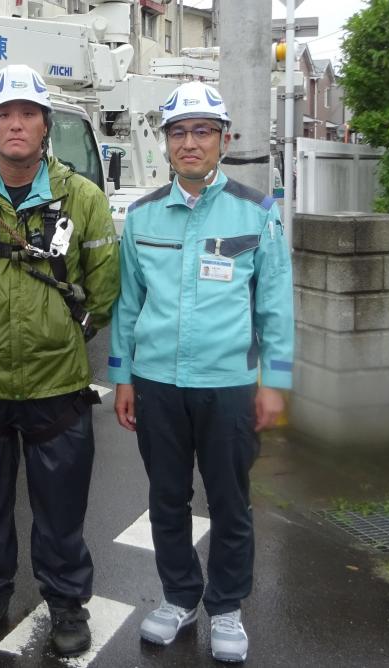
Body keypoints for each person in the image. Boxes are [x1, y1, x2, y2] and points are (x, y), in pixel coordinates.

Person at [0, 64, 119, 658]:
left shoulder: (82, 199)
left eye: (28, 114)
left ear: (46, 126)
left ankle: (66, 603)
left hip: (56, 386)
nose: (16, 124)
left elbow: (104, 288)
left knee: (60, 508)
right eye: (4, 114)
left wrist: (66, 334)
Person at [109, 81, 294, 663]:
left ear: (224, 140)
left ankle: (228, 608)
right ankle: (178, 597)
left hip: (228, 386)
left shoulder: (256, 212)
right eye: (179, 132)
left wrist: (277, 382)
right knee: (167, 499)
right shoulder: (140, 217)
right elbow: (127, 305)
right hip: (159, 384)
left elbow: (277, 304)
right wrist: (123, 376)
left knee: (230, 502)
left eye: (203, 131)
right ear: (165, 143)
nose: (190, 143)